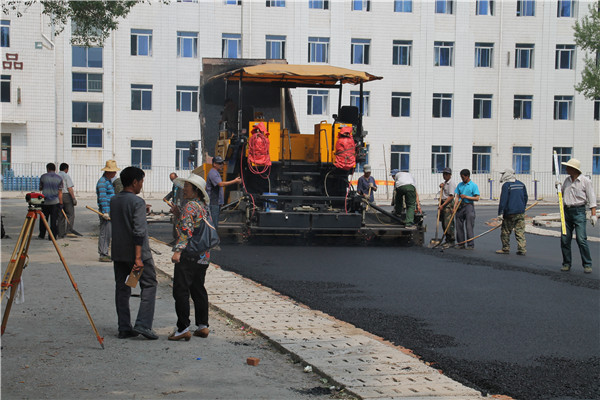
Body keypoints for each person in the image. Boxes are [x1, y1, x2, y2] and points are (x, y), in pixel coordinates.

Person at [110, 166, 158, 340]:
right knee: (149, 285)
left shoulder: (114, 200)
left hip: (119, 253)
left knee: (123, 288)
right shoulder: (138, 202)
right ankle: (143, 324)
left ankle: (124, 327)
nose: (142, 185)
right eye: (141, 181)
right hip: (137, 255)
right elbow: (138, 232)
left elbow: (124, 219)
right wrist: (138, 258)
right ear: (134, 182)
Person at [168, 173, 213, 341]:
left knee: (181, 290)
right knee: (198, 289)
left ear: (195, 190)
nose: (184, 189)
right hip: (203, 256)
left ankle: (183, 328)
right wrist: (178, 214)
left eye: (187, 186)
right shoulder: (203, 206)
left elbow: (186, 231)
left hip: (188, 255)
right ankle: (203, 326)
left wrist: (178, 251)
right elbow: (197, 225)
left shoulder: (189, 207)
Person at [558, 158, 597, 274]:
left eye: (568, 167)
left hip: (579, 211)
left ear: (574, 169)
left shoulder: (585, 181)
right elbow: (562, 194)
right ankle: (566, 263)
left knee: (581, 239)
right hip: (566, 212)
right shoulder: (567, 180)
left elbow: (592, 198)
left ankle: (587, 264)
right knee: (565, 239)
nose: (566, 169)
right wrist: (558, 188)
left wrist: (593, 214)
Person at [496, 168, 528, 256]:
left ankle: (505, 248)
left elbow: (503, 200)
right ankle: (522, 249)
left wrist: (500, 212)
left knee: (505, 231)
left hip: (510, 213)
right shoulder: (521, 184)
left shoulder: (507, 185)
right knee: (520, 231)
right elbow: (525, 197)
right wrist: (523, 207)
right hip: (520, 212)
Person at [206, 156, 241, 229]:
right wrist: (235, 181)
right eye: (219, 163)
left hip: (216, 202)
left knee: (214, 223)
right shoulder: (213, 173)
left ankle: (213, 235)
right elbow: (221, 184)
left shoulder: (216, 173)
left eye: (222, 163)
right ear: (214, 164)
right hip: (213, 202)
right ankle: (213, 236)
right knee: (213, 225)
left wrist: (221, 202)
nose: (221, 165)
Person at [97, 160, 119, 262]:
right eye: (114, 171)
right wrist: (105, 212)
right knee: (105, 232)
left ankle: (105, 252)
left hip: (110, 209)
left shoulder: (108, 181)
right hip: (106, 210)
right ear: (109, 172)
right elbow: (103, 198)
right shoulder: (102, 182)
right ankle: (103, 254)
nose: (115, 173)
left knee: (108, 232)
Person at [454, 169, 480, 249]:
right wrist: (455, 206)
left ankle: (470, 244)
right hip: (460, 206)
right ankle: (461, 243)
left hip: (469, 206)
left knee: (469, 226)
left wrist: (466, 197)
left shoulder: (473, 185)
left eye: (463, 177)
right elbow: (457, 196)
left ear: (467, 176)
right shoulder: (460, 185)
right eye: (461, 177)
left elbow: (477, 198)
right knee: (459, 226)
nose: (462, 179)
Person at [38, 163, 63, 240]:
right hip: (55, 202)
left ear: (48, 169)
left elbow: (40, 188)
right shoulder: (59, 178)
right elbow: (60, 192)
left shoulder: (43, 177)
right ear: (55, 169)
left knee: (43, 219)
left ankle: (42, 234)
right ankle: (52, 236)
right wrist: (61, 203)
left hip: (45, 202)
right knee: (54, 220)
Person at [57, 163, 78, 238]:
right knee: (70, 214)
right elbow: (69, 188)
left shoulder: (56, 176)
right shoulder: (66, 176)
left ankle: (60, 232)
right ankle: (69, 230)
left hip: (58, 196)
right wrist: (73, 198)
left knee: (60, 215)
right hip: (66, 196)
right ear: (66, 169)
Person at [164, 172, 185, 243]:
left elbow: (181, 197)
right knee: (175, 223)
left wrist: (178, 206)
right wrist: (167, 197)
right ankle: (176, 238)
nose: (173, 181)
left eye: (173, 179)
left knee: (178, 223)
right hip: (175, 206)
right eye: (171, 180)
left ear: (177, 177)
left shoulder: (181, 185)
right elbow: (172, 192)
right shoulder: (175, 185)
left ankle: (178, 240)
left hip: (179, 207)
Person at [438, 167, 456, 248]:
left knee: (448, 223)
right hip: (443, 202)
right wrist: (441, 186)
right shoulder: (445, 183)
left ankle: (451, 240)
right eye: (444, 174)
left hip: (448, 204)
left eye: (446, 174)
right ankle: (447, 239)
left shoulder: (451, 183)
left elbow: (451, 196)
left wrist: (443, 205)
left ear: (450, 175)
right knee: (443, 223)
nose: (445, 175)